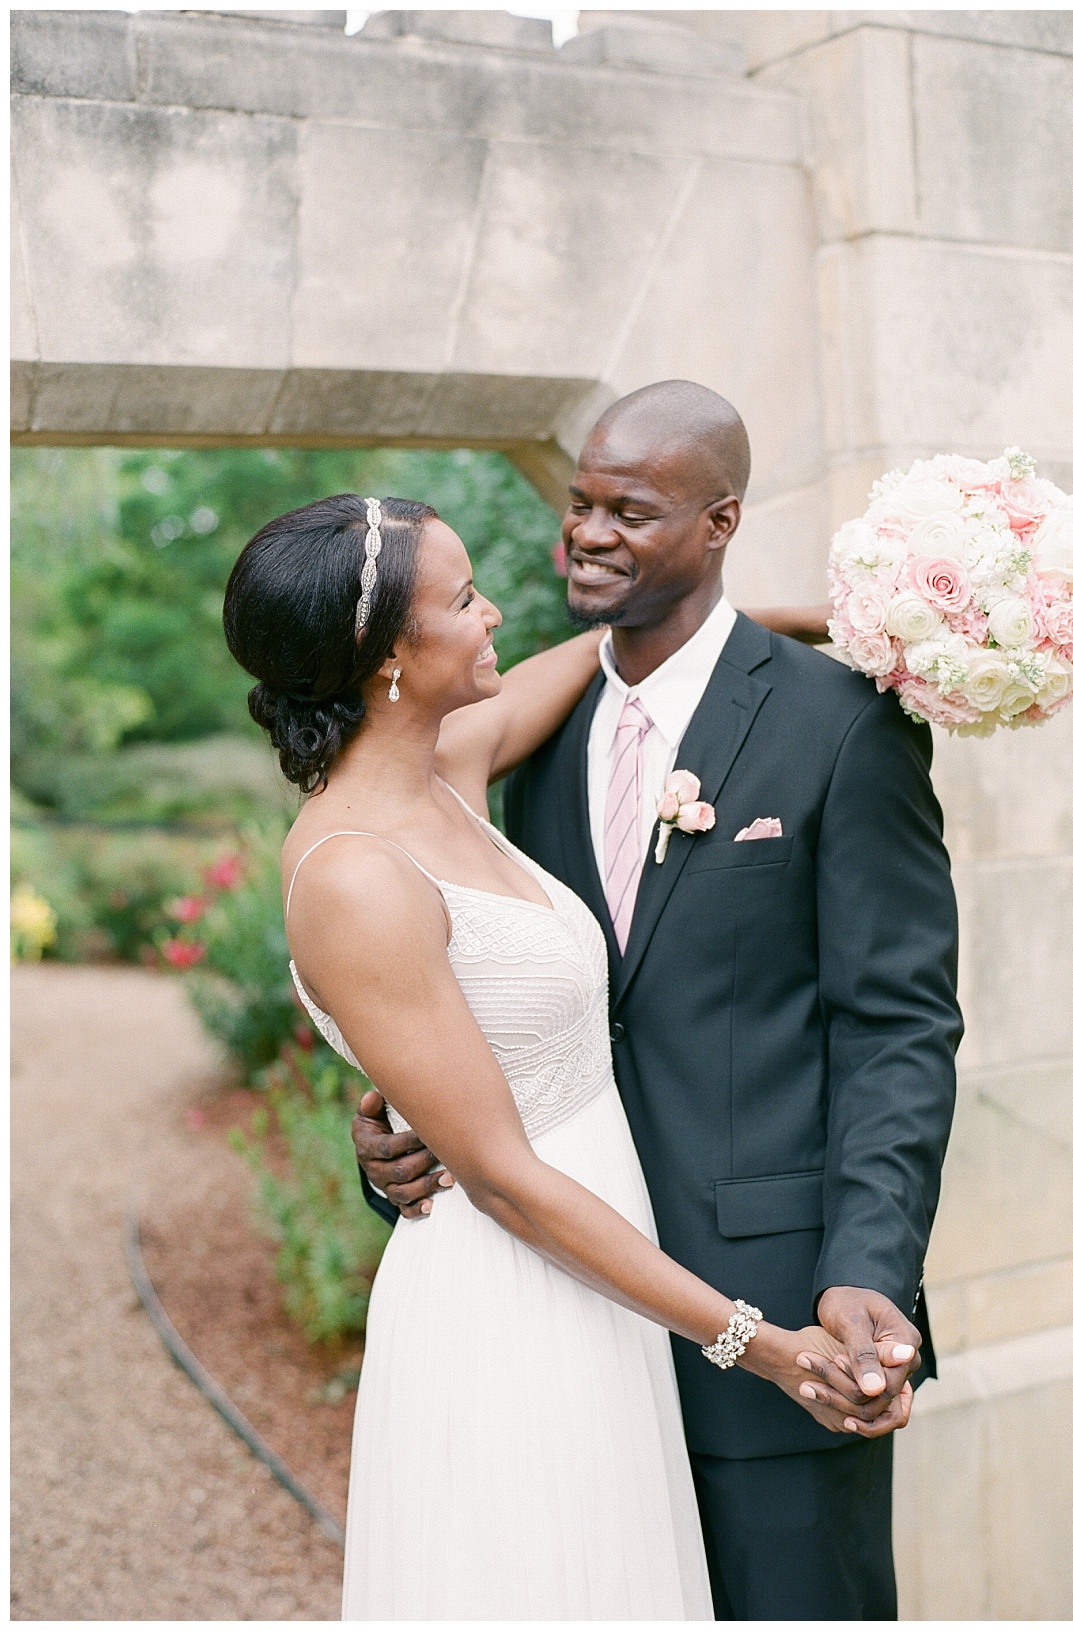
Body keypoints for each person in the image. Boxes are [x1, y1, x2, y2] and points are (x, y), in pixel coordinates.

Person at [223, 491, 911, 1622]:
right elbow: (499, 1175)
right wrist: (762, 1343)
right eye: (463, 597)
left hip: (604, 1276)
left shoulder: (445, 761)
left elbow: (613, 649)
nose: (495, 610)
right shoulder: (353, 871)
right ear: (391, 653)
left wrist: (857, 625)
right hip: (512, 1299)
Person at [354, 381, 962, 1620]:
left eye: (628, 510)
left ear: (720, 520)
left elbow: (899, 1026)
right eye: (578, 502)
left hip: (784, 1326)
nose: (585, 531)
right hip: (568, 1339)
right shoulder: (532, 735)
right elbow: (487, 998)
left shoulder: (844, 726)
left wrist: (869, 1269)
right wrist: (394, 1136)